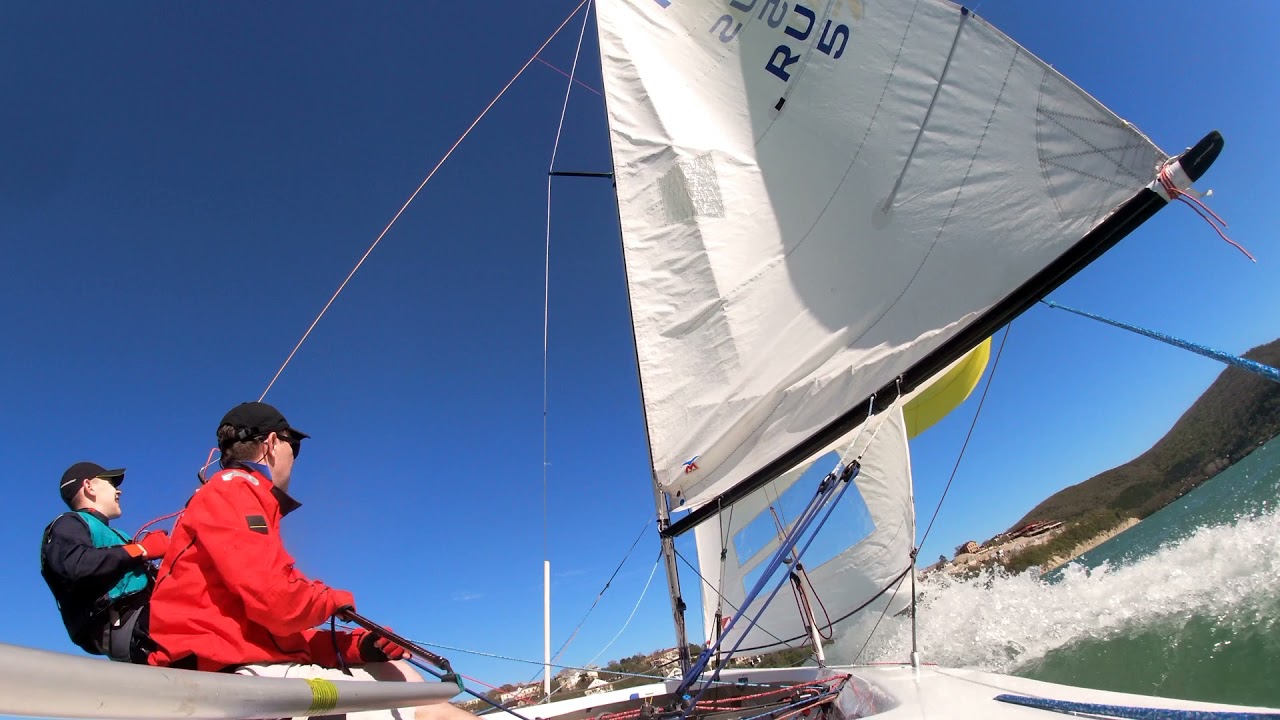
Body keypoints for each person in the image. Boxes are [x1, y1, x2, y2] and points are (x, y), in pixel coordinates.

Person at [148, 402, 475, 720]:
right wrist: (336, 600)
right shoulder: (233, 491)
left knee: (397, 672)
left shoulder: (233, 499)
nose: (294, 459)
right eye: (294, 448)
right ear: (273, 443)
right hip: (230, 682)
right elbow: (276, 602)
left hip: (244, 667)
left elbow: (276, 636)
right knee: (427, 707)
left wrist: (362, 645)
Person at [40, 461, 170, 663]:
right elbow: (75, 565)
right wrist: (142, 549)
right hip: (126, 628)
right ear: (88, 487)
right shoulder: (68, 523)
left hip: (149, 620)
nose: (119, 491)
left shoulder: (119, 535)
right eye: (111, 483)